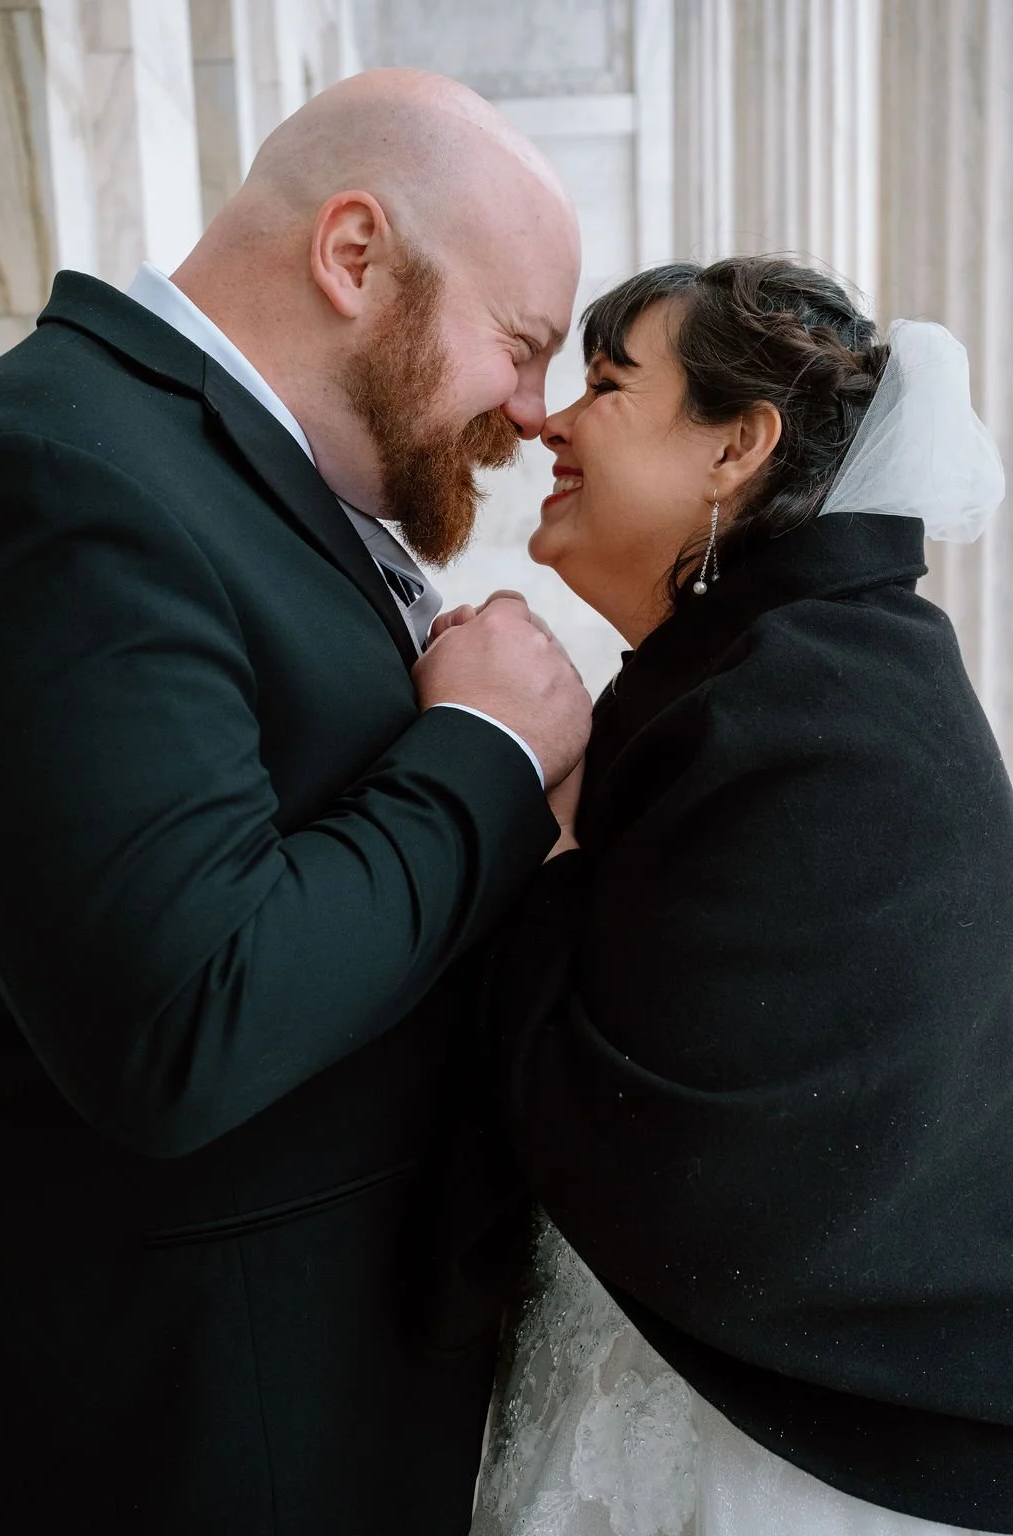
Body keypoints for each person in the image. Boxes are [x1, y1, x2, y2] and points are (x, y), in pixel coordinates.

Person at [0, 69, 591, 1534]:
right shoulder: (64, 466)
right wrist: (489, 754)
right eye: (517, 347)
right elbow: (183, 1013)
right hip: (208, 1440)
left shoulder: (233, 468)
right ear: (355, 256)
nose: (530, 412)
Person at [469, 257, 1011, 1536]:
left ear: (735, 449)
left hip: (785, 1464)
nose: (546, 418)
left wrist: (530, 851)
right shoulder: (767, 675)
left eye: (605, 383)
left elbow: (741, 1169)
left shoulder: (832, 717)